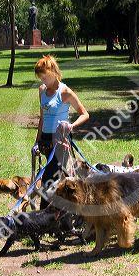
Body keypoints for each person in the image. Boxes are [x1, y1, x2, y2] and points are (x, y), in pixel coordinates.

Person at [33, 55, 89, 209]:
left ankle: (43, 216)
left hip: (61, 141)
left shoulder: (65, 92)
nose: (42, 80)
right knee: (60, 178)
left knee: (47, 179)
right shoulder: (42, 90)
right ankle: (66, 211)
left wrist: (71, 126)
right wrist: (36, 142)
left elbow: (84, 113)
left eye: (44, 76)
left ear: (53, 72)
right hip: (45, 141)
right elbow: (42, 117)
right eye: (40, 77)